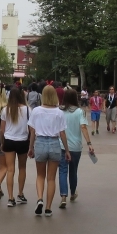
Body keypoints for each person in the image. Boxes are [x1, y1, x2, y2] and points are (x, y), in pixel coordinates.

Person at [28, 85, 70, 216]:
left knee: (40, 175)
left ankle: (40, 199)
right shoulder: (59, 112)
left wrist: (31, 147)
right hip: (54, 143)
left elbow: (32, 131)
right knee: (51, 178)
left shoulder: (36, 111)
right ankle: (48, 208)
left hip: (40, 142)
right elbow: (62, 133)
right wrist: (67, 150)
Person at [59, 88, 94, 208]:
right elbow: (83, 127)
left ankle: (63, 195)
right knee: (73, 171)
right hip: (75, 147)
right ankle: (72, 193)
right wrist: (89, 143)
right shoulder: (80, 112)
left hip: (62, 145)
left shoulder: (60, 111)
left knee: (63, 170)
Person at [0, 84, 31, 207]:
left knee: (10, 169)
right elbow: (31, 128)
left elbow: (2, 130)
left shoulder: (5, 110)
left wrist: (1, 142)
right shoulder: (28, 110)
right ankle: (20, 193)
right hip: (23, 141)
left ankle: (10, 198)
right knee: (22, 168)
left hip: (9, 140)